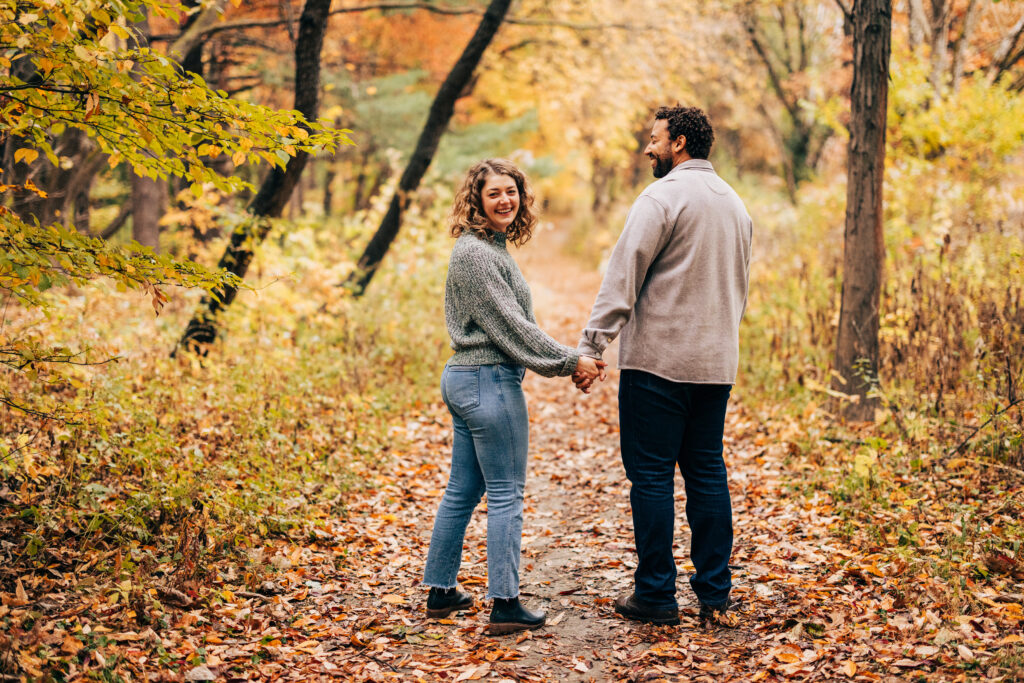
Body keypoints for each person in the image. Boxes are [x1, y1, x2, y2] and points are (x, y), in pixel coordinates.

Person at [573, 106, 752, 626]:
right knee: (706, 473)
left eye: (654, 139)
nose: (647, 149)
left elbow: (623, 275)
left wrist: (592, 345)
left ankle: (655, 595)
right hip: (715, 366)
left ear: (678, 143)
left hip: (658, 365)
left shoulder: (662, 196)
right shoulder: (735, 205)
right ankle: (715, 595)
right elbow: (739, 289)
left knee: (651, 476)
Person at [423, 159, 606, 635]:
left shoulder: (489, 247)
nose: (506, 200)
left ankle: (441, 592)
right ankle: (504, 603)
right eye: (494, 194)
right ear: (476, 201)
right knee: (507, 494)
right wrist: (571, 361)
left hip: (469, 379)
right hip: (485, 379)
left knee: (464, 490)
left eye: (512, 192)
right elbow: (511, 327)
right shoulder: (477, 254)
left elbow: (509, 325)